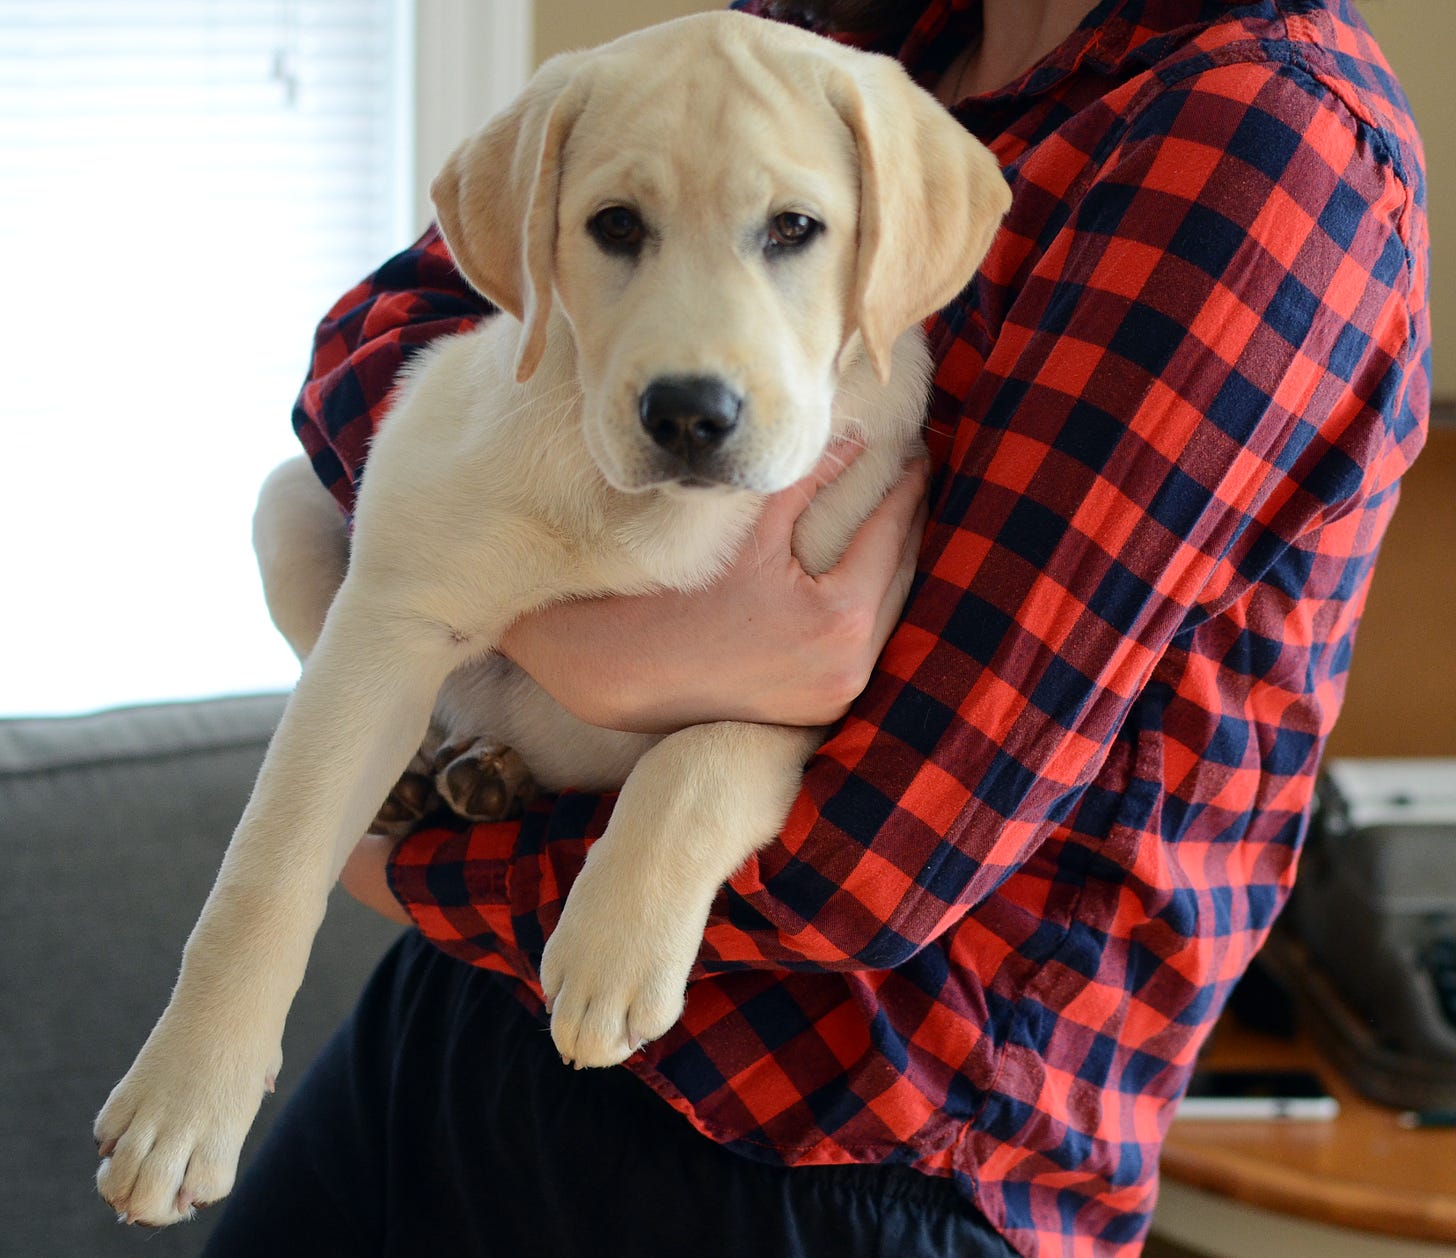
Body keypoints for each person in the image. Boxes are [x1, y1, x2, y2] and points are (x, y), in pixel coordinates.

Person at [202, 1, 1429, 1254]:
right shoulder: (836, 23)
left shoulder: (1260, 139)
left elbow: (874, 858)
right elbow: (379, 337)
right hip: (486, 1001)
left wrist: (388, 865)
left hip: (849, 1141)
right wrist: (583, 648)